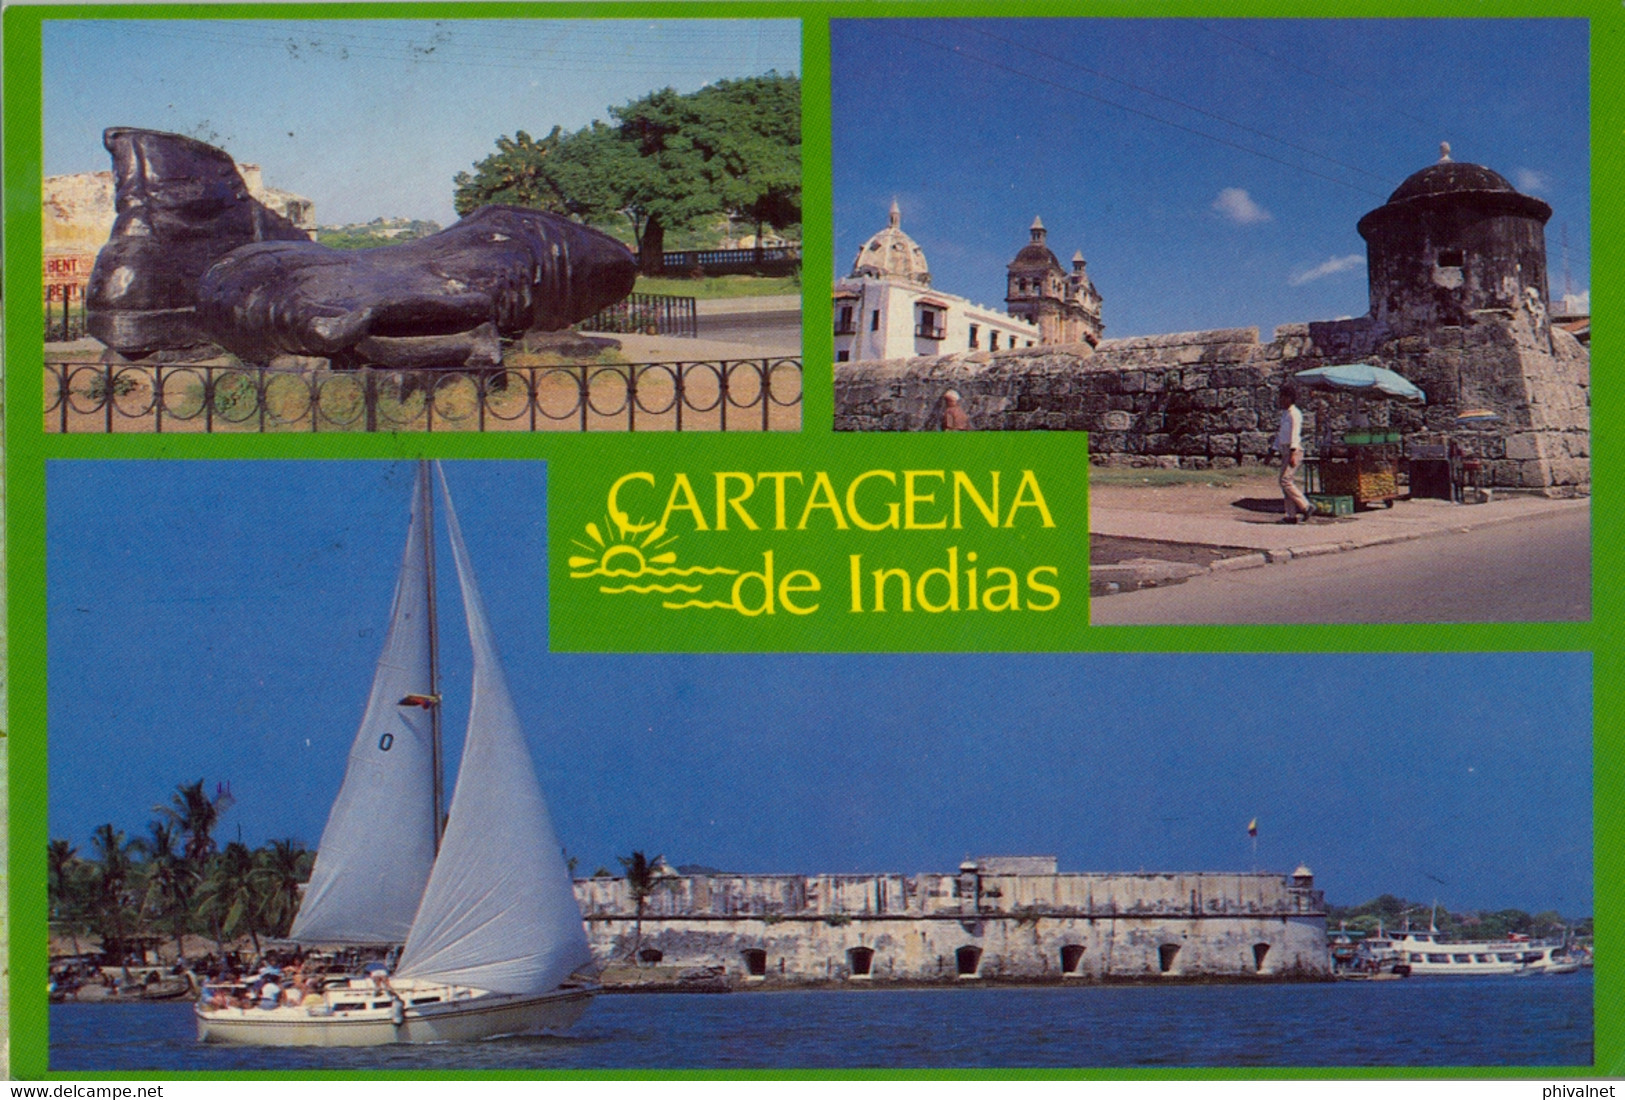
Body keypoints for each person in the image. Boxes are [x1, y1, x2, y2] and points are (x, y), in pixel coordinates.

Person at [1274, 385, 1314, 523]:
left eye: (1283, 398)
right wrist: (1273, 450)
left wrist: (1292, 452)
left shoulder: (1294, 413)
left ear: (1289, 398)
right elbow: (1281, 435)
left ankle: (1306, 506)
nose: (1281, 401)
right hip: (1285, 450)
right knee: (1285, 483)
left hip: (1293, 450)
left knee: (1285, 480)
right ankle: (1291, 515)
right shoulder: (1285, 414)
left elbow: (1295, 434)